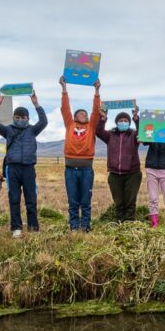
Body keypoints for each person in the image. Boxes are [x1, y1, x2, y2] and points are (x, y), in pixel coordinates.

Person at [0, 90, 48, 237]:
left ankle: (33, 228)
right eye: (18, 117)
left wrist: (36, 104)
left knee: (31, 199)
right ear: (13, 117)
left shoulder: (33, 130)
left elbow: (44, 122)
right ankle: (16, 228)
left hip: (28, 168)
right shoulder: (8, 130)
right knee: (14, 199)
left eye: (23, 117)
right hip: (12, 168)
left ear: (27, 118)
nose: (20, 119)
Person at [59, 77, 101, 232]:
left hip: (86, 170)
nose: (85, 115)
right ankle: (74, 227)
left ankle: (86, 226)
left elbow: (96, 110)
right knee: (73, 200)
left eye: (86, 113)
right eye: (81, 113)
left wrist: (96, 90)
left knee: (85, 200)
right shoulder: (70, 124)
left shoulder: (91, 127)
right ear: (75, 117)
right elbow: (65, 108)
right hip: (70, 170)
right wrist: (64, 87)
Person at [96, 105, 143, 223]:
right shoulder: (110, 135)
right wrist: (103, 118)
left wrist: (136, 118)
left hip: (133, 173)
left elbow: (142, 131)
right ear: (116, 123)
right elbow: (98, 131)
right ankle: (119, 222)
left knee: (130, 201)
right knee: (118, 202)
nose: (123, 122)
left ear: (129, 122)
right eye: (120, 121)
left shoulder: (134, 135)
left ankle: (129, 223)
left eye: (125, 121)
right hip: (115, 174)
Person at [142, 133, 165, 227]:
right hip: (151, 169)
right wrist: (138, 123)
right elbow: (144, 141)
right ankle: (154, 223)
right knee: (153, 198)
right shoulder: (151, 132)